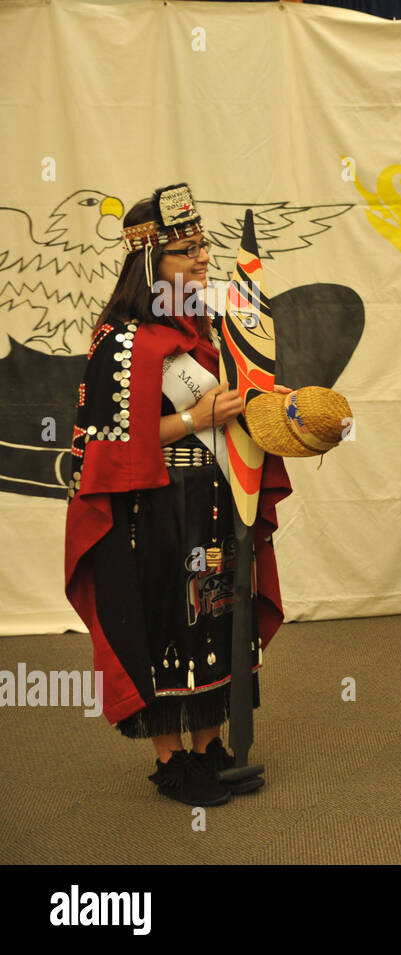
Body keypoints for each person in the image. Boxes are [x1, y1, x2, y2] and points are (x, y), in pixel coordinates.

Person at [64, 184, 292, 805]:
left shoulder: (209, 325)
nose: (200, 260)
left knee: (216, 615)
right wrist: (197, 419)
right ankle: (172, 763)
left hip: (215, 501)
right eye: (183, 252)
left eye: (201, 247)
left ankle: (209, 749)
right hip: (154, 507)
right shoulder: (121, 342)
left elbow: (239, 401)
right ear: (149, 265)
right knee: (167, 622)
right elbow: (113, 441)